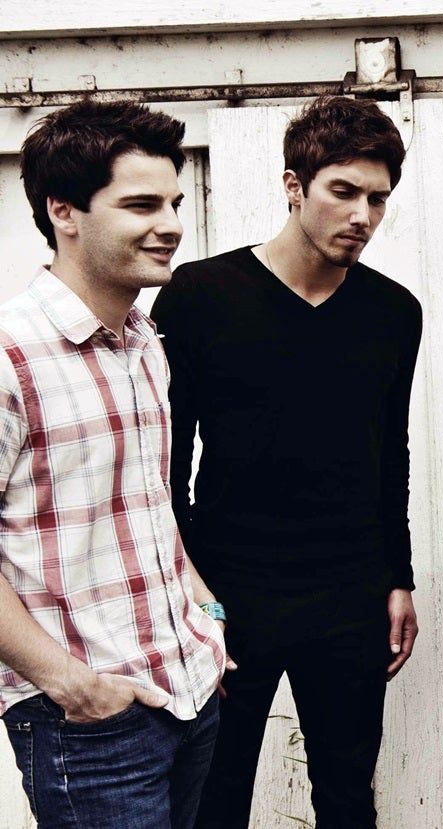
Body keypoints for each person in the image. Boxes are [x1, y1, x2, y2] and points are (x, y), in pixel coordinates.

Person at [150, 95, 421, 828]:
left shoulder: (393, 312)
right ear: (294, 186)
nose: (362, 215)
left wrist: (398, 576)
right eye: (344, 191)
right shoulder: (198, 296)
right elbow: (166, 463)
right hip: (231, 588)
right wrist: (190, 591)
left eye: (377, 199)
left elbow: (389, 452)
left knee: (347, 797)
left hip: (351, 591)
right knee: (214, 794)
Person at [0, 100, 227, 828]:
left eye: (174, 203)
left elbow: (146, 501)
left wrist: (207, 621)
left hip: (189, 689)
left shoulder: (143, 340)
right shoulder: (10, 356)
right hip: (88, 723)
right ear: (63, 211)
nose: (171, 224)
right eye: (141, 205)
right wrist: (72, 684)